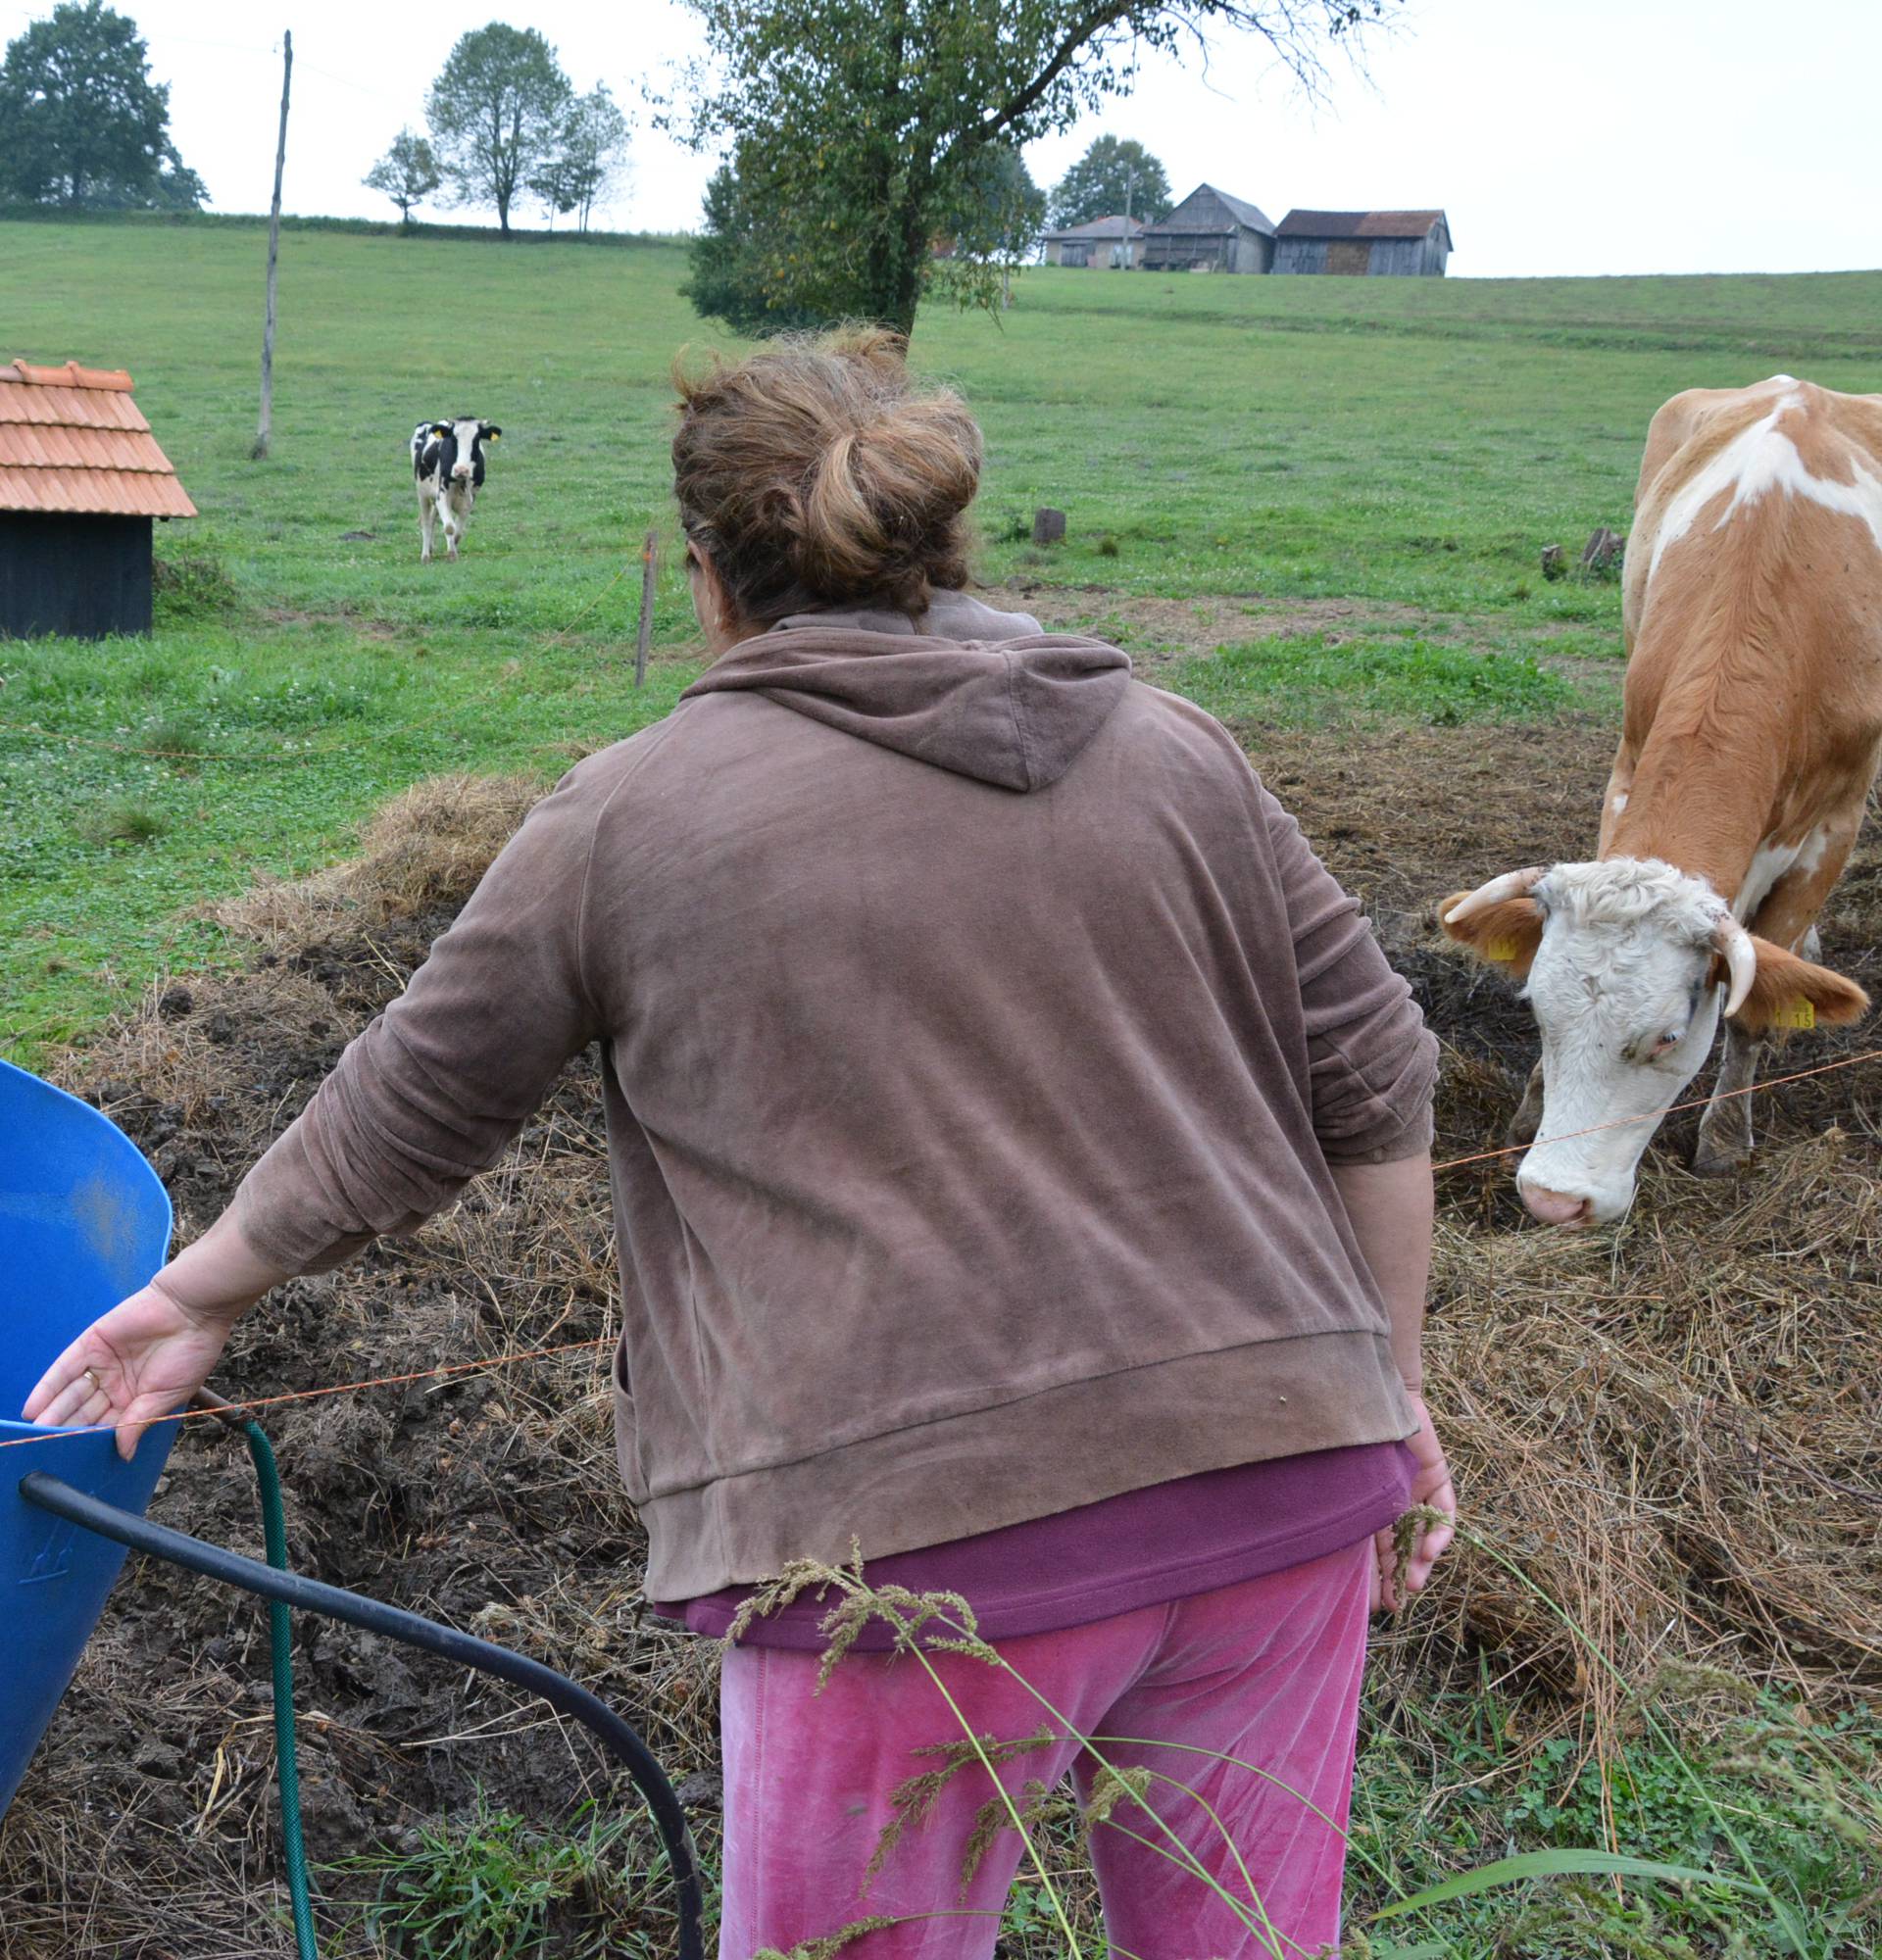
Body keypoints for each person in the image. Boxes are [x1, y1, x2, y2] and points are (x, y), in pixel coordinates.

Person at [27, 328, 1455, 1958]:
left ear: (709, 579)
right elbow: (1380, 1074)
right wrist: (1389, 1392)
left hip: (903, 1557)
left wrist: (202, 1290)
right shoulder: (1178, 748)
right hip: (1284, 1484)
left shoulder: (629, 819)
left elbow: (409, 1104)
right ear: (945, 545)